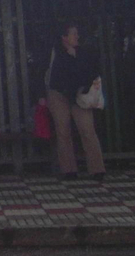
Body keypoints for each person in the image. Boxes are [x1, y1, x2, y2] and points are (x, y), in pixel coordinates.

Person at [45, 22, 106, 180]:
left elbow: (90, 72)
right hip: (59, 94)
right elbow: (50, 74)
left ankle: (97, 169)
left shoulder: (83, 52)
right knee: (63, 132)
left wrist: (75, 57)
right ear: (64, 37)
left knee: (87, 130)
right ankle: (69, 170)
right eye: (73, 34)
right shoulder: (55, 52)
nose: (77, 36)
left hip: (80, 94)